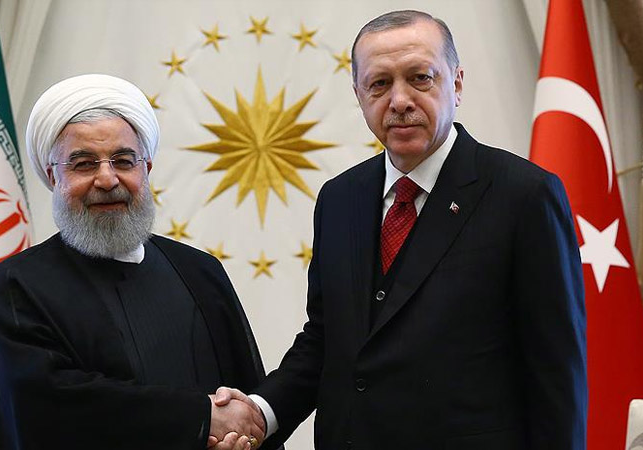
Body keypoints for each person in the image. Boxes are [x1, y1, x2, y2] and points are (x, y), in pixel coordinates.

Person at [217, 10, 587, 450]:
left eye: (420, 78)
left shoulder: (524, 195)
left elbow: (556, 373)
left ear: (457, 84)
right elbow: (327, 341)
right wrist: (260, 414)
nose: (399, 100)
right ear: (358, 95)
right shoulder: (339, 198)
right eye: (379, 84)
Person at [0, 74, 268, 450]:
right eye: (83, 164)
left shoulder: (199, 271)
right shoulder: (16, 285)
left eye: (124, 161)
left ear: (146, 169)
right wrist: (199, 418)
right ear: (53, 176)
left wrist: (239, 436)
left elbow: (244, 397)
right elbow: (50, 408)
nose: (107, 179)